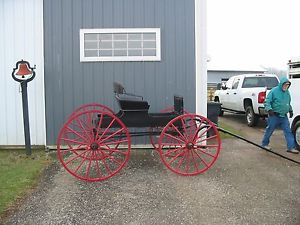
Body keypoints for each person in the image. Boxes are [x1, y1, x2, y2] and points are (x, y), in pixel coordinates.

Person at [261, 77, 299, 154]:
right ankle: (264, 144)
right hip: (274, 116)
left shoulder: (287, 92)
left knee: (288, 131)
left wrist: (290, 110)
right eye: (285, 85)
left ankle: (290, 147)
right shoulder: (274, 91)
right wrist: (269, 109)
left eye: (288, 85)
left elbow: (287, 103)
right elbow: (267, 101)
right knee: (269, 130)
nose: (286, 86)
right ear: (281, 84)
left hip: (283, 116)